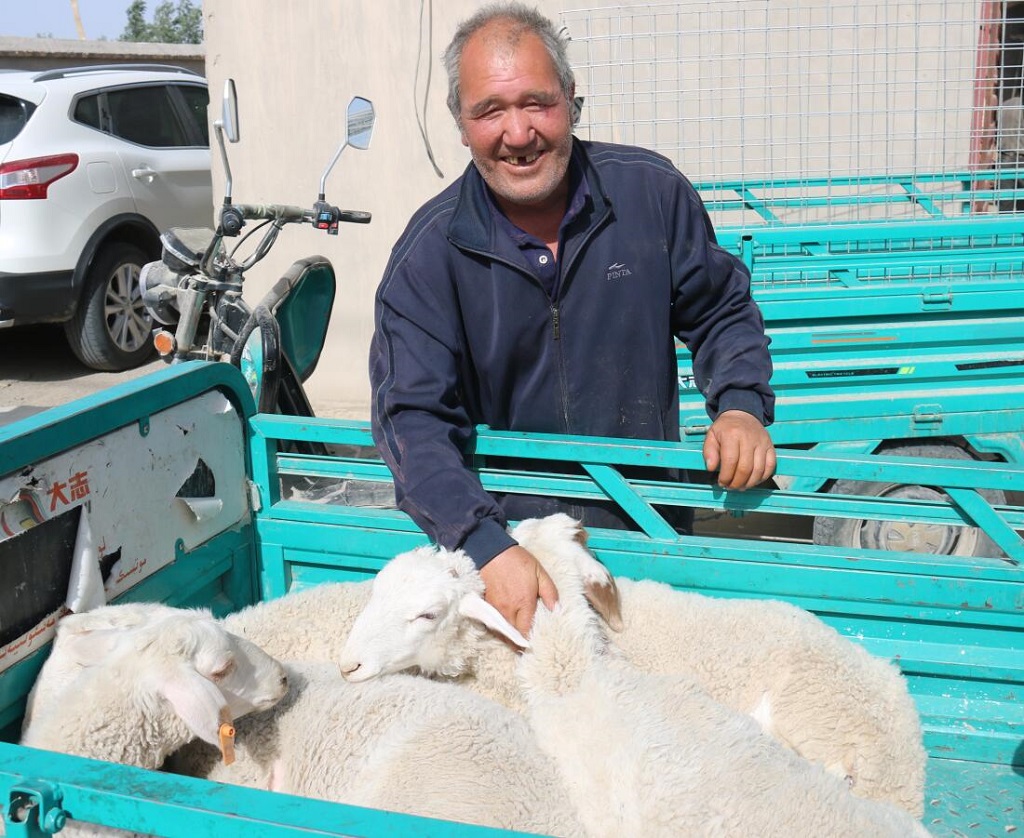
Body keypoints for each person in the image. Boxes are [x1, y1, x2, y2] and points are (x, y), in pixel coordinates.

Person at [369, 1, 776, 638]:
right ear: (461, 124)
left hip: (650, 530)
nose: (518, 133)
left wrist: (741, 406)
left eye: (537, 103)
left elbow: (721, 309)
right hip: (517, 552)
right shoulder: (429, 256)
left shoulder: (651, 196)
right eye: (490, 111)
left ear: (571, 100)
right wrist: (484, 543)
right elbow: (412, 420)